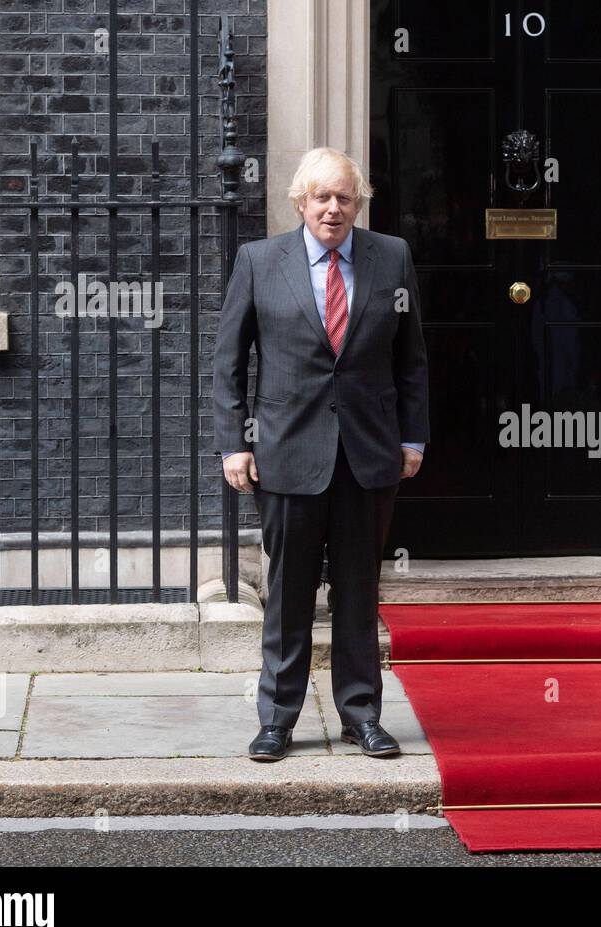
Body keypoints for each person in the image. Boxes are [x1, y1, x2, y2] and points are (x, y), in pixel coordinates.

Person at [213, 147, 429, 761]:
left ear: (357, 202)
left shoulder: (392, 256)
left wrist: (412, 438)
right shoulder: (259, 261)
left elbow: (411, 360)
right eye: (322, 197)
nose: (333, 209)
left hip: (368, 455)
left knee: (359, 592)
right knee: (287, 594)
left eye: (345, 198)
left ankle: (362, 715)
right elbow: (228, 361)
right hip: (285, 454)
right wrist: (233, 442)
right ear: (300, 202)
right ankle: (278, 719)